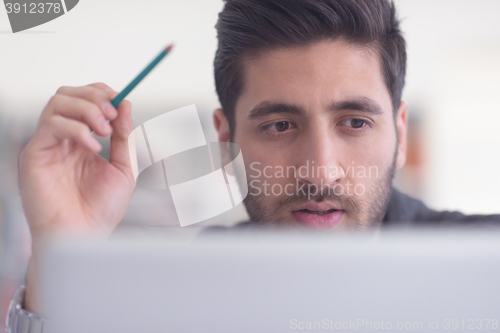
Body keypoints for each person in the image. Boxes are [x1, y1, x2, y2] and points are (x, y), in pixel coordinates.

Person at [7, 0, 500, 330]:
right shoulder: (186, 293)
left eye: (354, 122)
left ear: (400, 133)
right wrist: (59, 250)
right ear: (226, 140)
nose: (320, 172)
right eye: (280, 125)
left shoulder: (489, 268)